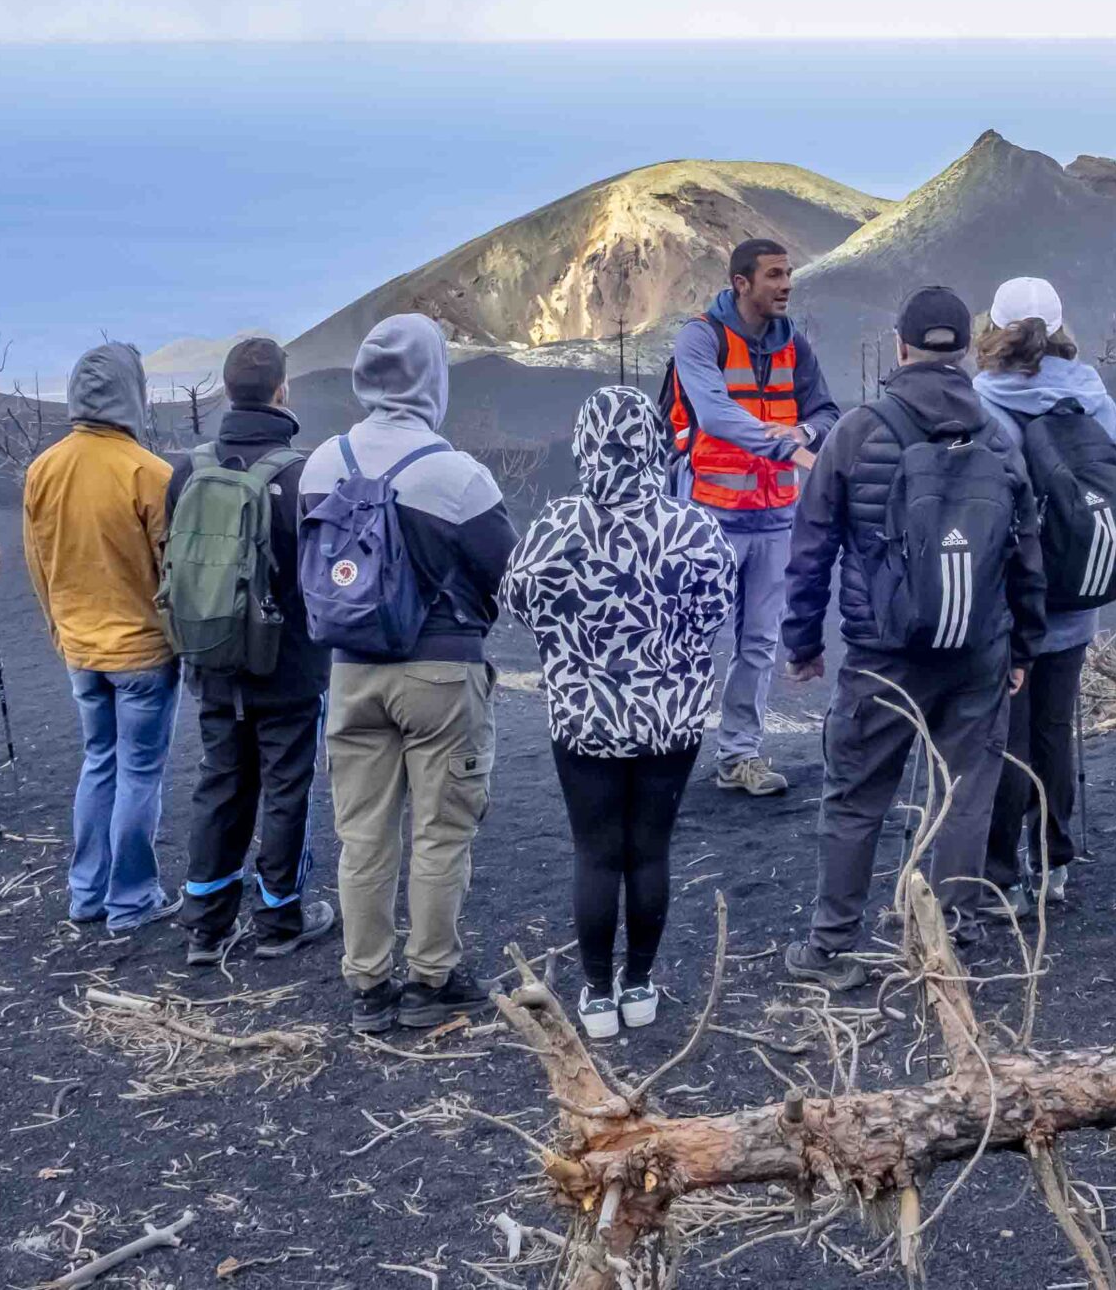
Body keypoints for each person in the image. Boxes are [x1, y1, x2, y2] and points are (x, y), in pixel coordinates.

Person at [781, 286, 1047, 989]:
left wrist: (803, 643)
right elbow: (1026, 552)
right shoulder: (997, 436)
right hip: (978, 650)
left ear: (900, 346)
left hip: (882, 655)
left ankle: (832, 948)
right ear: (964, 349)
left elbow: (810, 547)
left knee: (855, 797)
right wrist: (1021, 647)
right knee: (965, 793)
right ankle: (949, 940)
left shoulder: (856, 433)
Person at [300, 314, 516, 1034]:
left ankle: (368, 985)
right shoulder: (457, 476)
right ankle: (432, 978)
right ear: (431, 378)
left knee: (362, 835)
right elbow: (508, 574)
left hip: (350, 674)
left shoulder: (320, 465)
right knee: (441, 831)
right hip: (440, 675)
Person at [503, 387, 737, 1038]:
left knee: (597, 854)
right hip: (672, 718)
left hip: (584, 718)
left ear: (585, 446)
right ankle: (639, 984)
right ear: (653, 446)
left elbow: (517, 600)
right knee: (651, 851)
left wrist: (570, 642)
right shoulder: (693, 527)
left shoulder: (557, 525)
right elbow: (718, 608)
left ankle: (598, 994)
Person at [971, 277, 1116, 916]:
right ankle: (1055, 864)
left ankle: (1000, 877)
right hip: (1076, 599)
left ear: (993, 328)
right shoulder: (1091, 395)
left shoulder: (983, 402)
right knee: (1053, 729)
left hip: (1011, 605)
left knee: (1007, 736)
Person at [164, 338, 337, 965]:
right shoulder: (303, 472)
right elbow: (318, 571)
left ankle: (206, 923)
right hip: (287, 662)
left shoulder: (187, 470)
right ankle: (279, 918)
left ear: (227, 391)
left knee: (220, 781)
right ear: (281, 390)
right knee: (287, 787)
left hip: (211, 654)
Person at [661, 238, 841, 798]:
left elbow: (826, 411)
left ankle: (739, 756)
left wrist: (804, 431)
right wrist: (786, 447)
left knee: (759, 643)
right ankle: (665, 757)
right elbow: (715, 414)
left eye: (788, 273)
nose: (786, 284)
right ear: (741, 283)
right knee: (689, 640)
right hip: (708, 518)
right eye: (774, 275)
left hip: (775, 518)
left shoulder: (794, 346)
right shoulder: (700, 338)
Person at [23, 343, 185, 936]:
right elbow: (173, 574)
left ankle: (87, 893)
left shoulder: (43, 469)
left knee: (99, 763)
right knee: (139, 772)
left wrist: (60, 630)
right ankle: (132, 899)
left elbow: (39, 563)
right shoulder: (148, 473)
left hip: (80, 649)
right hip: (141, 652)